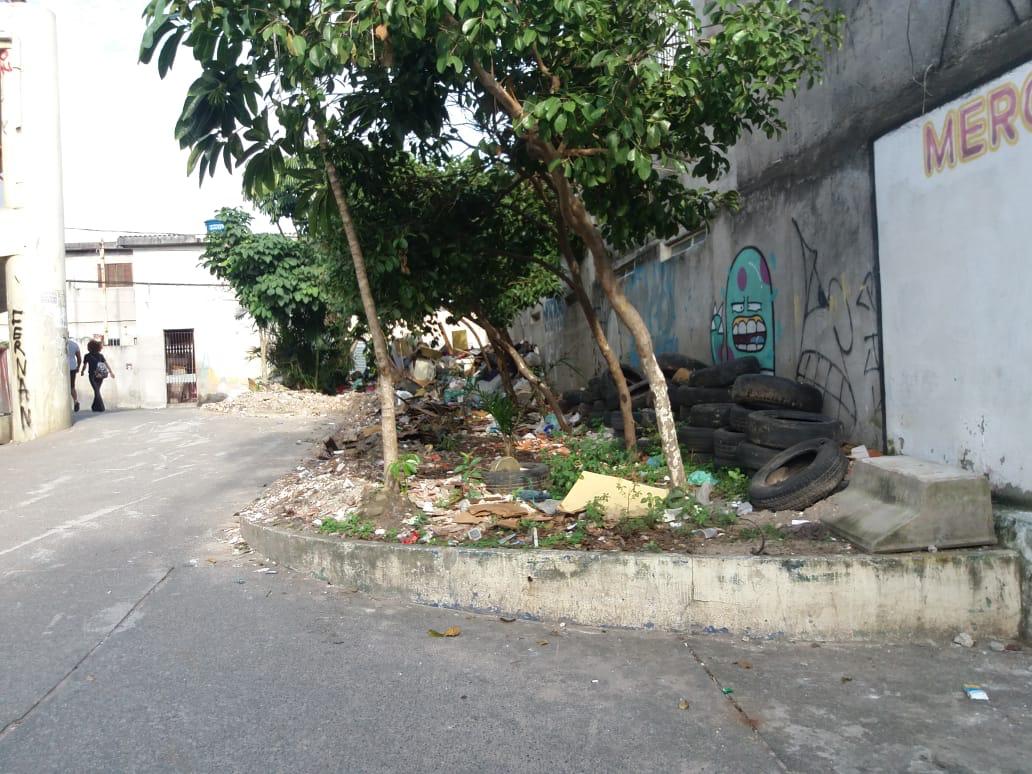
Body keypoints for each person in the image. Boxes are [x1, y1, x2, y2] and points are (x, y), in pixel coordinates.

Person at [81, 339, 114, 412]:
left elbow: (85, 365)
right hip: (100, 375)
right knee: (97, 390)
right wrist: (111, 372)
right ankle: (95, 407)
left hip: (92, 375)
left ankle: (101, 407)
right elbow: (106, 363)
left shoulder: (87, 356)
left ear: (90, 347)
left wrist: (82, 371)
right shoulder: (100, 355)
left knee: (96, 391)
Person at [67, 337, 82, 412]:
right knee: (72, 386)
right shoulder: (74, 344)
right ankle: (75, 401)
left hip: (62, 367)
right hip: (72, 367)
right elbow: (79, 358)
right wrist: (78, 367)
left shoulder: (57, 342)